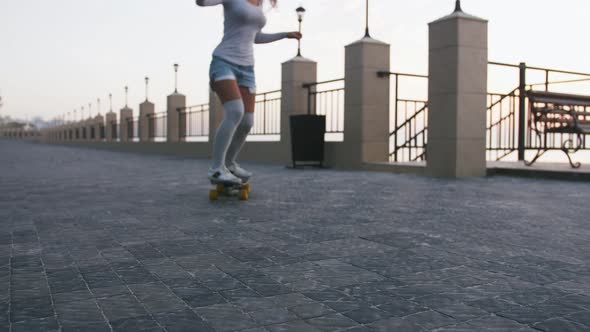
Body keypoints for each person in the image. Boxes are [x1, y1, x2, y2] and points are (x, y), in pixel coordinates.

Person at [196, 0, 302, 184]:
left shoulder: (259, 3)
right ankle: (216, 169)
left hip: (247, 69)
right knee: (235, 111)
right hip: (223, 61)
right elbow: (201, 2)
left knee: (246, 121)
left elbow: (256, 36)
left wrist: (285, 35)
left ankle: (229, 164)